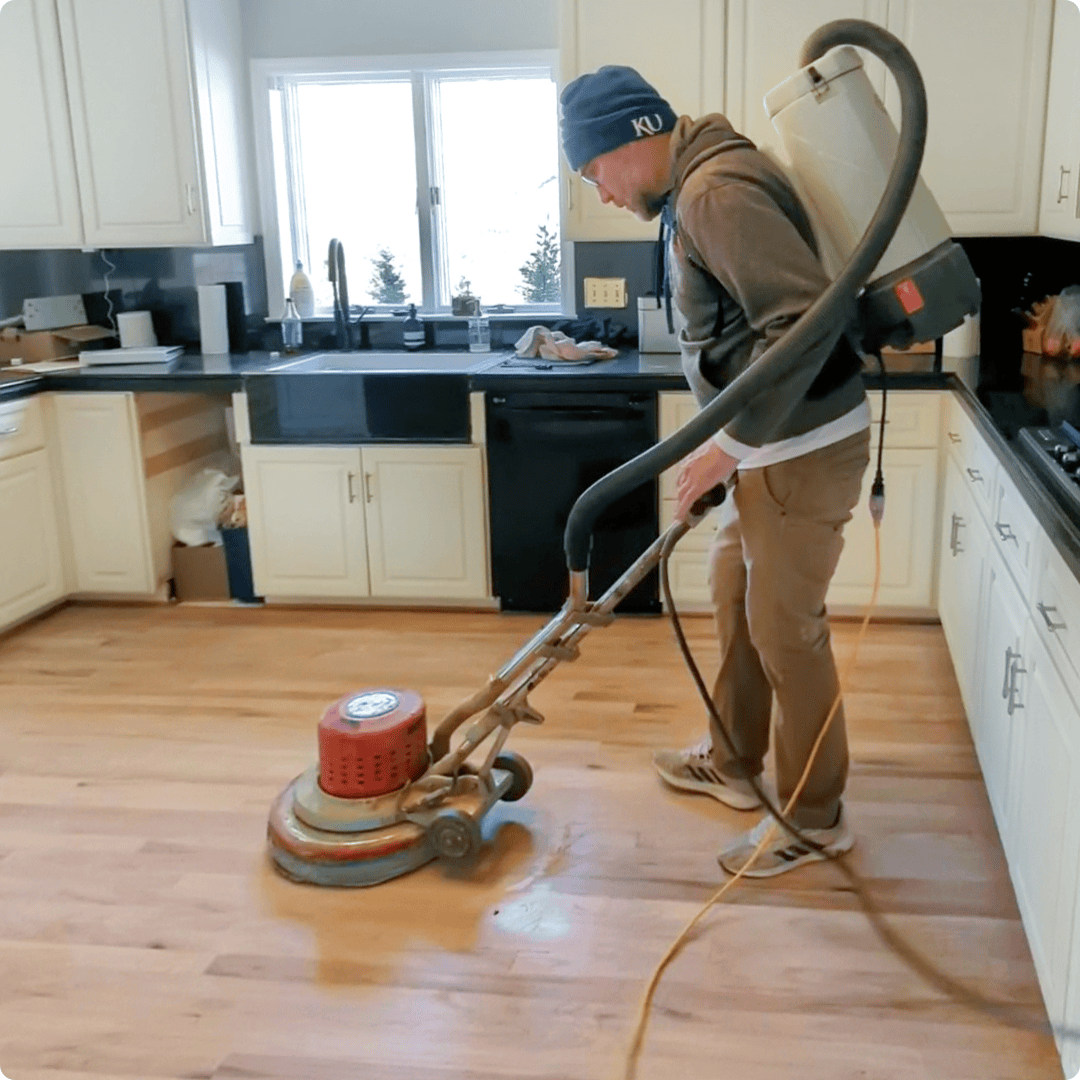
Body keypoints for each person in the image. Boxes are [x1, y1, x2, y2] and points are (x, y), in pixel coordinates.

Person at [560, 65, 871, 877]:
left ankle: (814, 817)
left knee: (785, 632)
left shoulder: (713, 192)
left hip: (802, 445)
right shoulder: (694, 187)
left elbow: (801, 323)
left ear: (634, 136)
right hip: (769, 443)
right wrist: (733, 446)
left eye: (594, 173)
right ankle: (735, 765)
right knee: (732, 594)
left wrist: (727, 445)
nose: (601, 194)